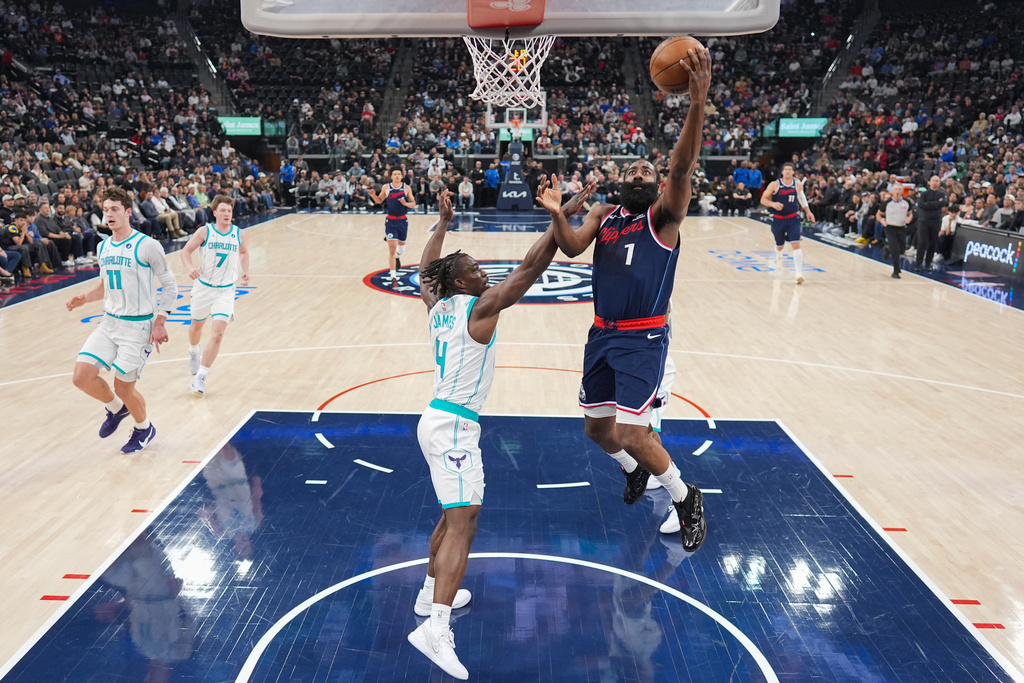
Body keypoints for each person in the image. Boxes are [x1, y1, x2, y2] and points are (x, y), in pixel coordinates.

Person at [408, 178, 582, 680]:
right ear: (462, 283)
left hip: (437, 419)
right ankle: (436, 629)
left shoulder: (438, 305)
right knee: (464, 522)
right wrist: (559, 218)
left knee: (455, 516)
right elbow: (530, 267)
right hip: (454, 428)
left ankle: (428, 594)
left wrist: (443, 224)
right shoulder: (479, 307)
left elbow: (425, 271)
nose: (484, 271)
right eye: (476, 268)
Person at [549, 46, 711, 554]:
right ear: (623, 182)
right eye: (633, 172)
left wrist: (696, 104)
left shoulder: (663, 217)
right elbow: (571, 247)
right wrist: (558, 214)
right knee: (597, 431)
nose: (640, 175)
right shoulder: (604, 214)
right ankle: (633, 469)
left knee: (635, 433)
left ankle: (686, 498)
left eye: (647, 171)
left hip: (644, 338)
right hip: (601, 333)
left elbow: (681, 170)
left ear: (658, 184)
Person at [66, 187, 177, 454]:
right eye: (105, 210)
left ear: (128, 212)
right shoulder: (103, 246)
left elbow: (170, 285)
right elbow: (105, 285)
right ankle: (117, 409)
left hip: (138, 326)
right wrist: (85, 298)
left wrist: (160, 322)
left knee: (124, 387)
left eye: (114, 209)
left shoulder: (147, 245)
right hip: (109, 323)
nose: (109, 214)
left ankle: (144, 428)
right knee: (81, 377)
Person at [179, 195, 250, 396]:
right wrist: (190, 267)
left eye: (230, 211)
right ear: (215, 212)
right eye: (223, 211)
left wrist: (246, 270)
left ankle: (201, 376)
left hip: (226, 290)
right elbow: (185, 252)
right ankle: (194, 350)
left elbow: (244, 252)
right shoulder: (205, 231)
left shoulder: (239, 234)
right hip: (204, 287)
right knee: (196, 327)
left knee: (218, 335)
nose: (227, 214)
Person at [760, 163, 815, 284]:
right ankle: (779, 256)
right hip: (778, 219)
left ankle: (798, 273)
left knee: (796, 243)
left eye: (790, 169)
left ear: (793, 172)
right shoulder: (775, 184)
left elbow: (802, 198)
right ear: (782, 171)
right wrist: (773, 204)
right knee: (780, 245)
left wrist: (808, 212)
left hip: (793, 218)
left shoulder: (797, 185)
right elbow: (763, 199)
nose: (788, 171)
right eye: (786, 169)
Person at [371, 168, 416, 281]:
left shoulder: (406, 188)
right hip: (391, 221)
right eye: (394, 174)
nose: (396, 176)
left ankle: (397, 256)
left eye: (398, 174)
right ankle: (393, 275)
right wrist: (373, 196)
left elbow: (413, 204)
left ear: (402, 176)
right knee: (392, 248)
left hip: (403, 221)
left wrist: (406, 203)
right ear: (391, 176)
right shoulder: (386, 187)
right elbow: (379, 200)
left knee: (401, 249)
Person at [877, 183, 914, 279]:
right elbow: (878, 214)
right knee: (895, 249)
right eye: (896, 189)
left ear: (902, 191)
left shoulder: (907, 202)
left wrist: (909, 218)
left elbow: (910, 213)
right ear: (893, 191)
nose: (897, 191)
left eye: (899, 189)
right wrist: (882, 221)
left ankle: (887, 248)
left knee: (902, 249)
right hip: (890, 227)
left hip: (901, 227)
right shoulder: (887, 203)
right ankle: (896, 270)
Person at [914, 176, 947, 271]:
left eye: (937, 181)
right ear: (929, 182)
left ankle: (928, 264)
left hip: (936, 221)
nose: (935, 182)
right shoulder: (924, 193)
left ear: (939, 183)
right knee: (922, 242)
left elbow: (944, 203)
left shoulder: (942, 194)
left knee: (933, 243)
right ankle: (918, 264)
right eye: (933, 181)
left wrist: (928, 204)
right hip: (923, 220)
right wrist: (936, 204)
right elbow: (921, 205)